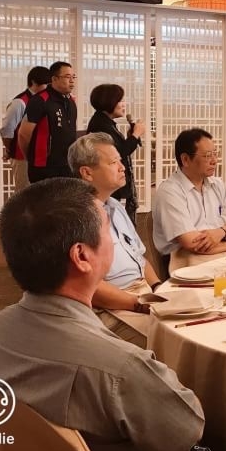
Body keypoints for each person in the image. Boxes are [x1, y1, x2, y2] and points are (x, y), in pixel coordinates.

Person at [0, 178, 205, 451]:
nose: (113, 239)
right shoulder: (121, 368)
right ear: (81, 256)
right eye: (107, 228)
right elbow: (186, 430)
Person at [68, 133, 161, 348]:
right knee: (170, 341)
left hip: (141, 294)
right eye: (113, 163)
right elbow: (89, 286)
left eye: (120, 161)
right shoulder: (77, 218)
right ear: (87, 172)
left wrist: (158, 288)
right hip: (111, 307)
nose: (122, 167)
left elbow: (139, 257)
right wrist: (139, 304)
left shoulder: (115, 206)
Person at [153, 128, 226, 258]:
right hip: (184, 259)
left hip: (219, 252)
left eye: (215, 153)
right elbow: (193, 244)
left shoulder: (217, 184)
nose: (214, 160)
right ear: (185, 159)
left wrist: (220, 233)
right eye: (207, 155)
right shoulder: (170, 192)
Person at [87, 83, 146, 224]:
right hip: (107, 180)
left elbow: (118, 147)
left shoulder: (106, 122)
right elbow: (119, 153)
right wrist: (136, 135)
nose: (124, 104)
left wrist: (131, 137)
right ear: (108, 101)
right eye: (120, 100)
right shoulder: (101, 125)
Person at [18, 61, 78, 183]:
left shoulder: (70, 101)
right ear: (54, 79)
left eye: (73, 77)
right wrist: (30, 157)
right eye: (67, 77)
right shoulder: (40, 100)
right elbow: (23, 134)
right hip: (44, 167)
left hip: (67, 165)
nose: (72, 81)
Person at [0, 66, 51, 192]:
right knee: (24, 192)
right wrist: (9, 150)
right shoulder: (19, 102)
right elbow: (7, 130)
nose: (47, 88)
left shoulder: (47, 100)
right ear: (33, 82)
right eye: (45, 84)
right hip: (22, 156)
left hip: (43, 156)